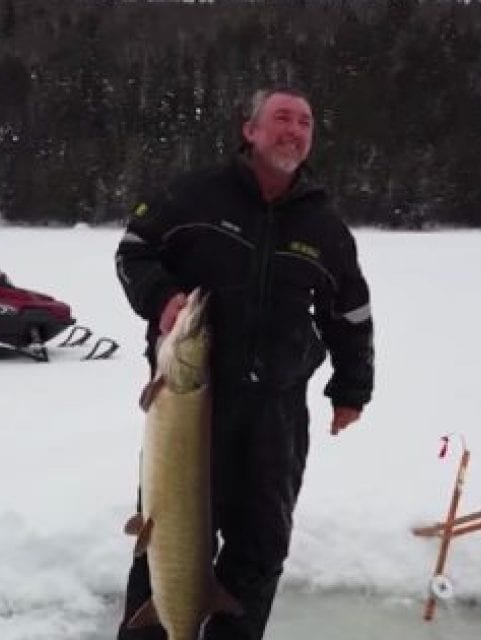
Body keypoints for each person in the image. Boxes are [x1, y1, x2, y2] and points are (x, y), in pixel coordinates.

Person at [113, 87, 375, 639]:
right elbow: (134, 250)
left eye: (306, 122)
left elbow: (350, 312)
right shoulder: (193, 196)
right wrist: (163, 298)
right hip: (194, 401)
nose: (295, 130)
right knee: (169, 537)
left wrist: (351, 387)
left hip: (276, 412)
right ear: (249, 130)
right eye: (282, 117)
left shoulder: (322, 224)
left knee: (259, 549)